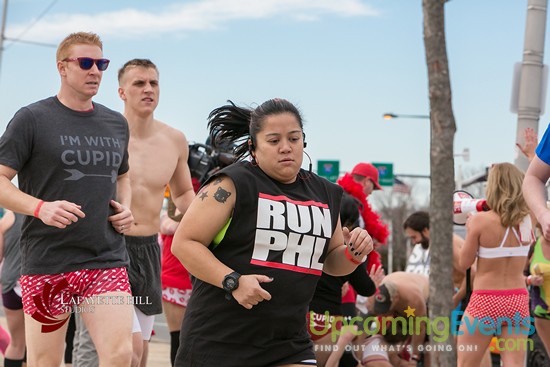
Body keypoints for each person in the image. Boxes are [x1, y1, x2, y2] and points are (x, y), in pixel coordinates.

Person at [171, 98, 374, 366]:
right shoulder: (232, 183)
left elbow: (332, 262)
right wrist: (233, 281)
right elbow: (184, 243)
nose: (286, 148)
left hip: (289, 342)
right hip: (219, 340)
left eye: (293, 138)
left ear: (304, 141)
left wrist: (354, 253)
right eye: (274, 140)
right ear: (253, 147)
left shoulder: (326, 193)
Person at [0, 31, 134, 366]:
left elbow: (123, 175)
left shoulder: (116, 123)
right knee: (46, 361)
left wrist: (125, 207)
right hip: (48, 260)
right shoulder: (31, 119)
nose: (96, 71)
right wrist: (39, 207)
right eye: (86, 63)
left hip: (105, 257)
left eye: (101, 63)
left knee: (121, 355)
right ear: (62, 67)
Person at [72, 58, 196, 367]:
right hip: (105, 250)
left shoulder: (174, 140)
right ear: (121, 92)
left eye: (153, 83)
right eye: (139, 83)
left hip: (147, 252)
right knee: (122, 349)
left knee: (137, 357)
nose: (148, 89)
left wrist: (211, 229)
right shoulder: (99, 135)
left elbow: (182, 194)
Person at [458, 162, 534, 367]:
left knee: (466, 363)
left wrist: (469, 229)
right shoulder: (529, 220)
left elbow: (464, 262)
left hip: (485, 300)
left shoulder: (480, 221)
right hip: (517, 299)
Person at [308, 192, 383, 366]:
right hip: (327, 320)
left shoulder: (308, 239)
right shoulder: (346, 251)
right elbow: (366, 288)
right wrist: (373, 283)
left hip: (298, 313)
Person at [0, 210, 25, 367]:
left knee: (16, 344)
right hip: (38, 284)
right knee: (37, 343)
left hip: (11, 285)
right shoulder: (49, 210)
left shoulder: (8, 217)